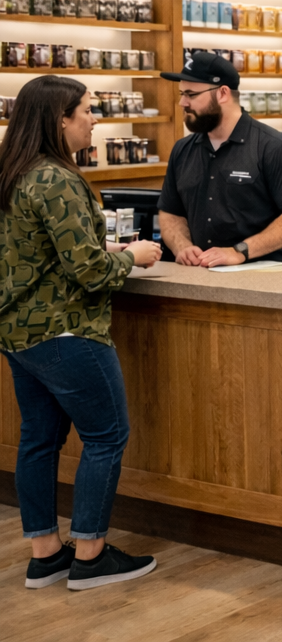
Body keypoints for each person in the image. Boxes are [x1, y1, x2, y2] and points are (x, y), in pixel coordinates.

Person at [0, 76, 162, 591]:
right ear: (60, 119)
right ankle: (90, 556)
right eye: (87, 111)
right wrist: (132, 257)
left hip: (19, 333)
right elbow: (89, 272)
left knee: (39, 440)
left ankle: (45, 554)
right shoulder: (57, 179)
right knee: (106, 436)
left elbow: (40, 251)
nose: (95, 120)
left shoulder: (13, 172)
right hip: (67, 330)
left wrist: (108, 251)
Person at [159, 51, 282, 265]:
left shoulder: (274, 147)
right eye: (181, 94)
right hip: (198, 275)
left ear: (223, 93)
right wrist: (182, 246)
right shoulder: (182, 150)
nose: (182, 103)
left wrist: (240, 251)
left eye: (191, 94)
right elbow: (170, 213)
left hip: (261, 276)